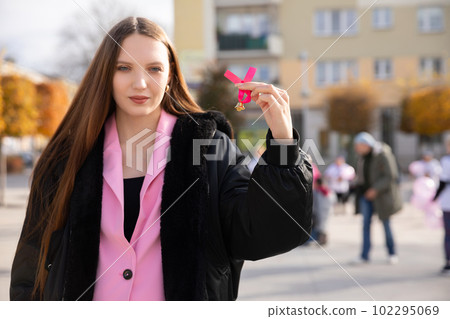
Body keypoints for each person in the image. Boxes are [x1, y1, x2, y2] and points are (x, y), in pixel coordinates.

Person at [9, 17, 312, 301]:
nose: (140, 83)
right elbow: (31, 265)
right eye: (124, 68)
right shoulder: (66, 158)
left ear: (169, 77)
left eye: (154, 69)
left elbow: (263, 232)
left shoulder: (208, 148)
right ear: (106, 76)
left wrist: (284, 144)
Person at [352, 132, 402, 265]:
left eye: (358, 145)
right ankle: (364, 255)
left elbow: (391, 175)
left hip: (381, 196)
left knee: (386, 224)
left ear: (366, 144)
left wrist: (375, 189)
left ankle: (392, 253)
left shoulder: (382, 153)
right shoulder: (362, 157)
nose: (356, 148)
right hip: (365, 195)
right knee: (365, 226)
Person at [434, 138, 450, 275]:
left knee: (448, 233)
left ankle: (448, 262)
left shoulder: (446, 161)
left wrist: (434, 197)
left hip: (448, 203)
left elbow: (443, 182)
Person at [311, 177, 335, 245]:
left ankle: (321, 240)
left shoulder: (317, 192)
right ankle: (323, 240)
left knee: (319, 227)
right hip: (328, 212)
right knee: (324, 226)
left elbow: (314, 203)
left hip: (319, 212)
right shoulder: (329, 191)